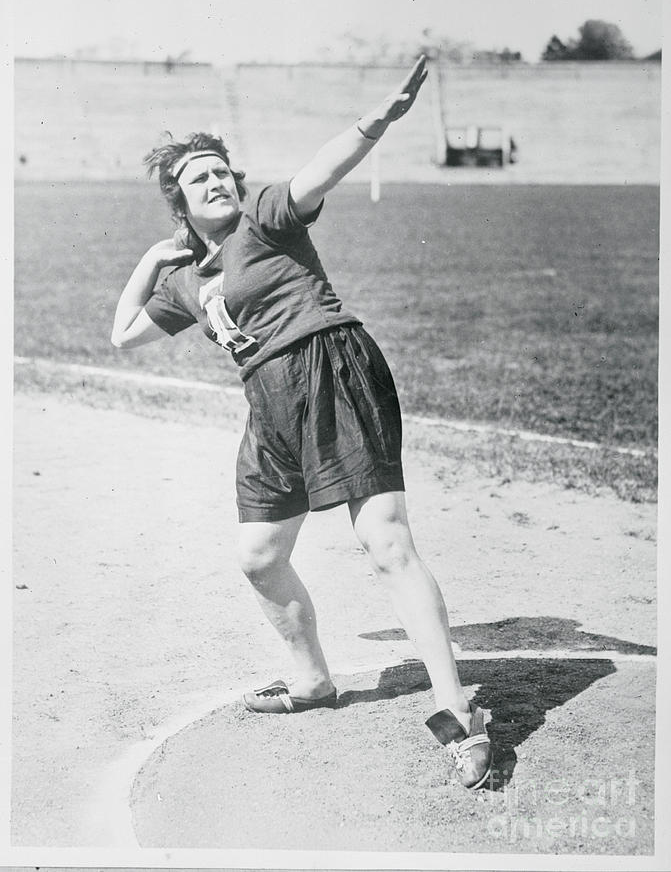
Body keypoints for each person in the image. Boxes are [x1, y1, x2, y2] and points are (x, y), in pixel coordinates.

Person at [111, 56, 492, 789]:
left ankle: (456, 711)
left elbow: (321, 169)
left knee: (384, 543)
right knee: (258, 557)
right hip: (269, 403)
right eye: (200, 179)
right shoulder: (187, 282)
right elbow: (124, 336)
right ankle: (313, 682)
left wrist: (376, 119)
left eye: (222, 171)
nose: (218, 181)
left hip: (331, 369)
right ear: (179, 203)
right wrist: (151, 261)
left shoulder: (266, 218)